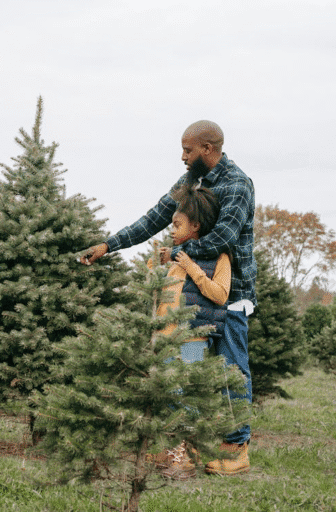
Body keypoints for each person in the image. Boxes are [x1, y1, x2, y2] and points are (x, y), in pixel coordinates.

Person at [81, 120, 256, 476]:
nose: (182, 157)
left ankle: (236, 449)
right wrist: (108, 245)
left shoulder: (237, 184)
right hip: (192, 297)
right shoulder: (190, 181)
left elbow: (222, 238)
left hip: (229, 294)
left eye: (188, 150)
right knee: (187, 371)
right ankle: (186, 450)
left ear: (208, 149)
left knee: (231, 372)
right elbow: (156, 217)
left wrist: (177, 254)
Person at [151, 184, 231, 480]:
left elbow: (220, 295)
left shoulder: (217, 259)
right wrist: (158, 266)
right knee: (168, 396)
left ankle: (182, 460)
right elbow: (159, 297)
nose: (171, 230)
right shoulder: (173, 257)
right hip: (165, 339)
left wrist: (191, 266)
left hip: (192, 340)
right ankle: (177, 455)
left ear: (195, 226)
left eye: (177, 224)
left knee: (181, 398)